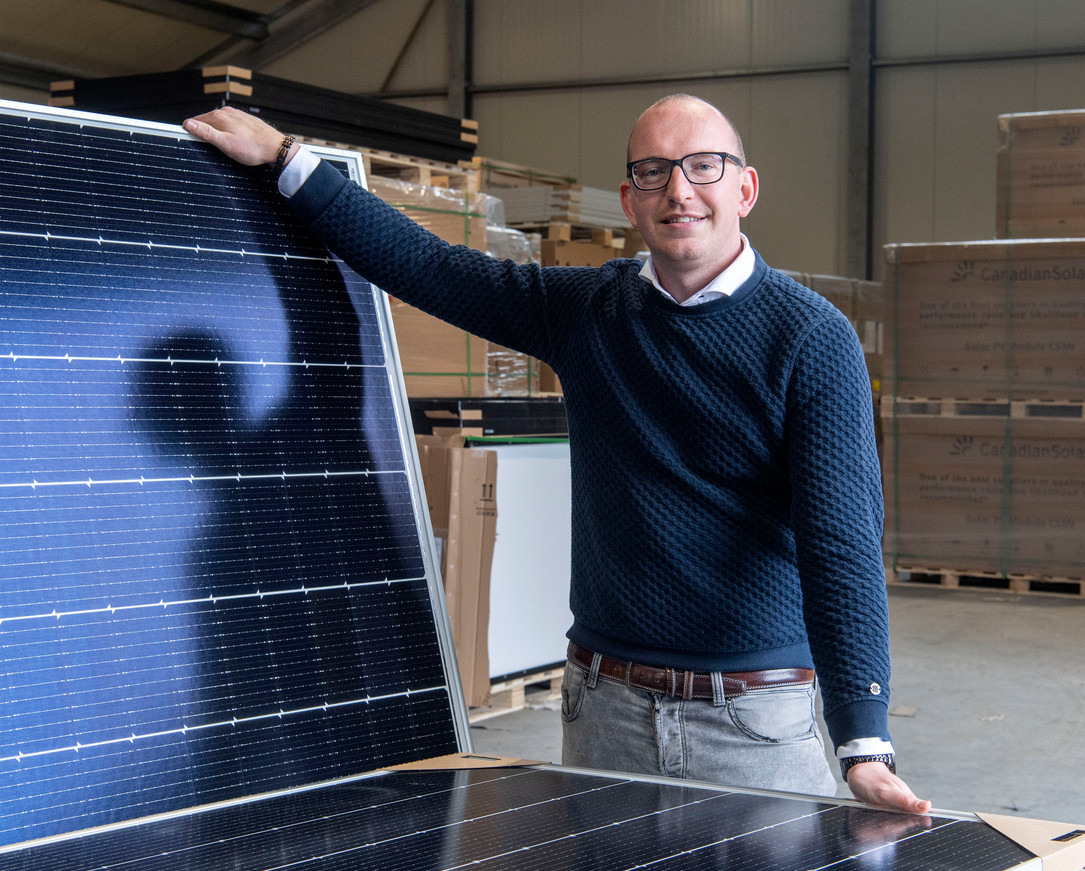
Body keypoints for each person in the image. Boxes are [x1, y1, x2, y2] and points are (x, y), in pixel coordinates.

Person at [185, 94, 930, 815]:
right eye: (653, 171)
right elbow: (430, 268)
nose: (679, 190)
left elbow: (842, 544)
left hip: (753, 723)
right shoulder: (585, 312)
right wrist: (286, 160)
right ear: (629, 199)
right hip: (603, 712)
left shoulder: (812, 338)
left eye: (704, 166)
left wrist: (864, 738)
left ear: (746, 187)